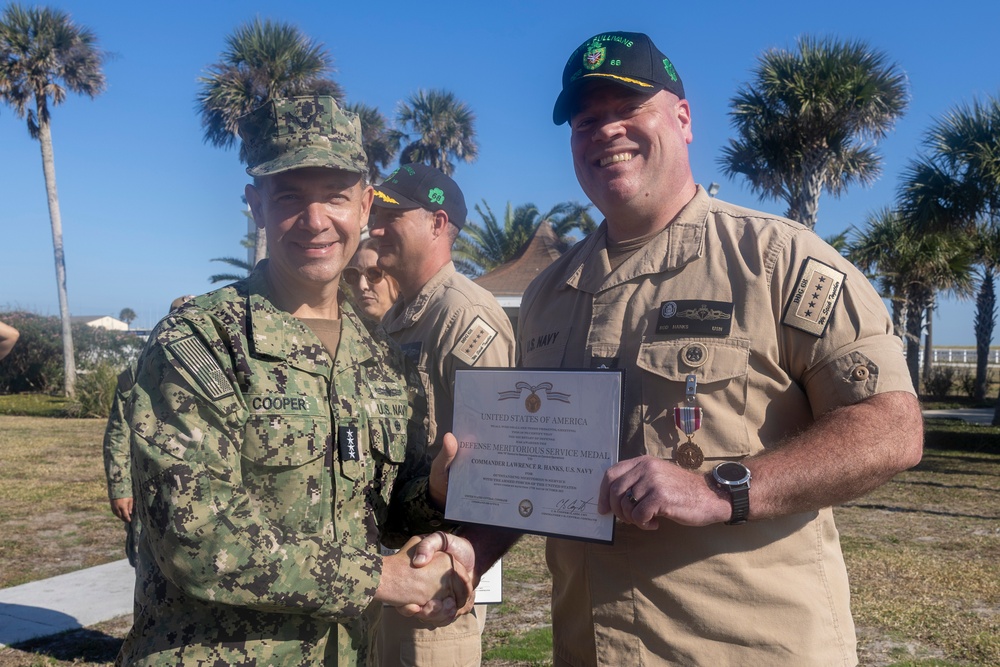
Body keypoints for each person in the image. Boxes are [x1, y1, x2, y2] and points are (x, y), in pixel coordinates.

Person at [413, 30, 924, 666]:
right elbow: (542, 470)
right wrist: (475, 547)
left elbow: (891, 429)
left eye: (627, 109)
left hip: (748, 649)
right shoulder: (550, 293)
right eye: (585, 120)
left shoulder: (778, 262)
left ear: (682, 119)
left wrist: (720, 490)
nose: (604, 131)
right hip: (590, 647)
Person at [116, 95, 473, 667]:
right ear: (256, 206)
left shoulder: (378, 354)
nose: (315, 221)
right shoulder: (200, 341)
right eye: (288, 197)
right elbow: (196, 538)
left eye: (334, 196)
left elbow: (381, 510)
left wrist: (433, 492)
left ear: (363, 206)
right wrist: (379, 580)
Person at [368, 163, 516, 666]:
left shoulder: (463, 315)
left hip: (438, 572)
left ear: (437, 223)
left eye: (392, 215)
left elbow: (494, 461)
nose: (376, 226)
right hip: (391, 561)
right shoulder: (398, 318)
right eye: (375, 213)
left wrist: (461, 564)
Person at [103, 296, 195, 567]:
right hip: (149, 484)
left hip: (199, 485)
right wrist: (119, 487)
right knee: (147, 562)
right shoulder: (138, 370)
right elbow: (119, 431)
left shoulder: (215, 371)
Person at [344, 237, 400, 322]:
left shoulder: (422, 329)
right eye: (353, 274)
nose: (362, 285)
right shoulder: (355, 331)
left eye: (374, 273)